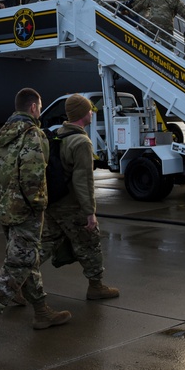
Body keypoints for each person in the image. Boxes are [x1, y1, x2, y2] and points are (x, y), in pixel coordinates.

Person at [0, 88, 71, 345]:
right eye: (40, 107)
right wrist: (37, 205)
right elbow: (33, 175)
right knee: (18, 264)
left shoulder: (1, 134)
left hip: (5, 208)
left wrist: (0, 200)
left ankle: (42, 312)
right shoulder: (33, 135)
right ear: (33, 108)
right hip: (26, 211)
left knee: (26, 259)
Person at [38, 94, 119, 300]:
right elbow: (83, 181)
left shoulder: (58, 135)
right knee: (90, 243)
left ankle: (18, 281)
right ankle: (96, 285)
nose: (91, 112)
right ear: (83, 114)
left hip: (53, 203)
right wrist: (89, 212)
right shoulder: (81, 142)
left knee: (46, 245)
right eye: (89, 110)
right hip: (72, 206)